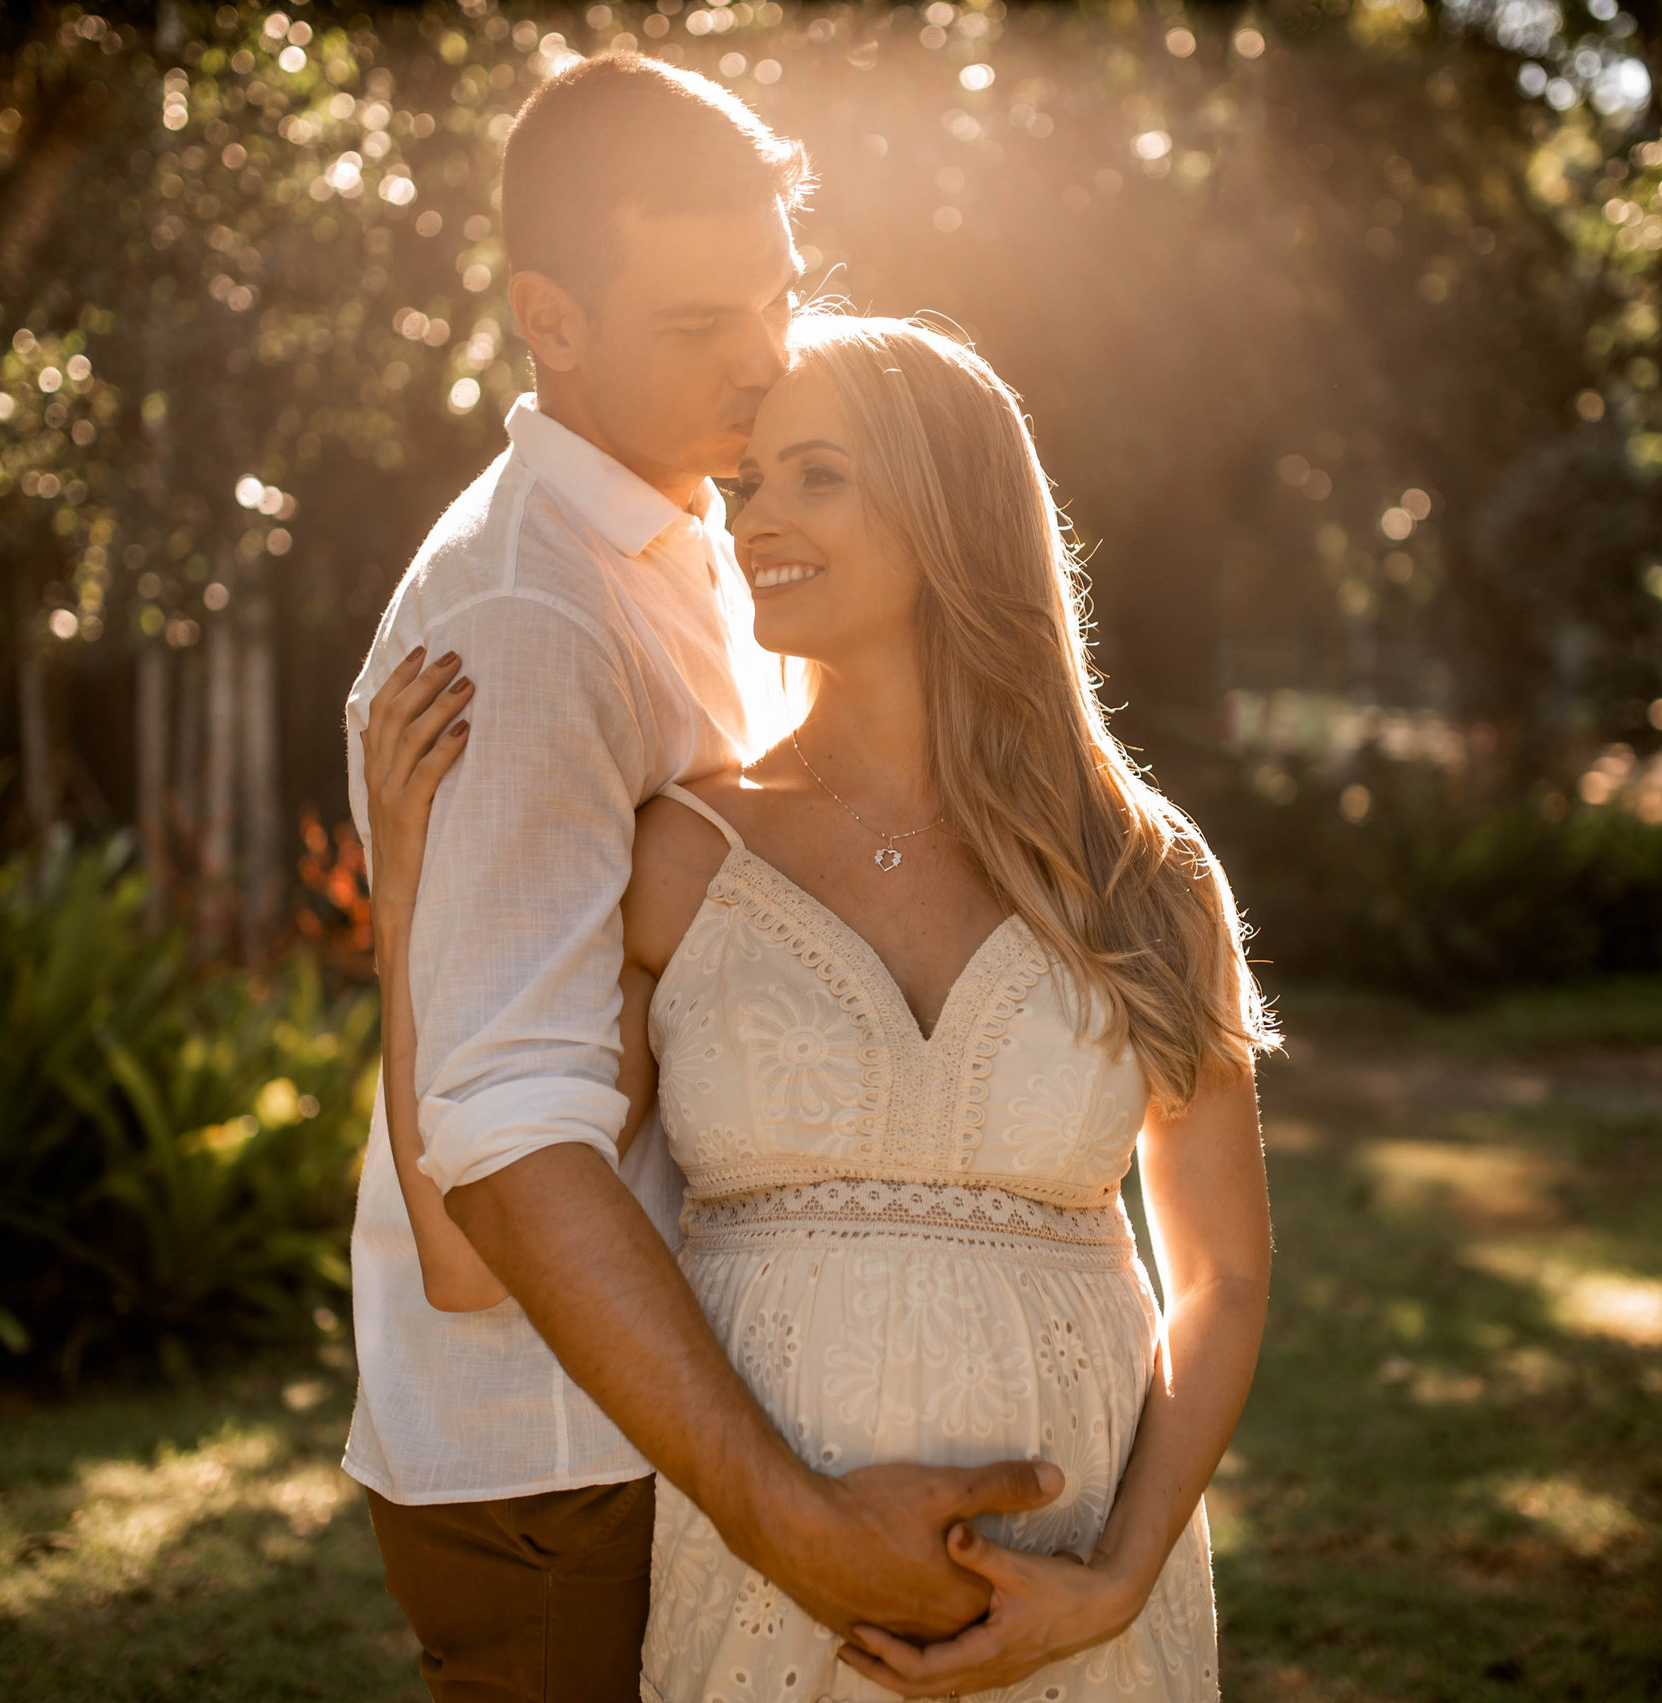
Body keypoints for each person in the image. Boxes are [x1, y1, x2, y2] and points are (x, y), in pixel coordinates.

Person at [363, 313, 1276, 1699]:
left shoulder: (1144, 870)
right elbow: (470, 1255)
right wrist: (408, 914)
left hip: (1084, 1597)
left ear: (950, 511)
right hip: (771, 1609)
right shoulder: (684, 855)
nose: (756, 520)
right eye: (750, 484)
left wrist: (1118, 1580)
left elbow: (1222, 1274)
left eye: (817, 476)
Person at [339, 55, 1060, 1703]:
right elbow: (499, 1173)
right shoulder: (526, 622)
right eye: (695, 323)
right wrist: (792, 1518)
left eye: (778, 299)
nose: (762, 360)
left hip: (660, 1414)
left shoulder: (694, 551)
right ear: (551, 317)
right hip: (558, 1459)